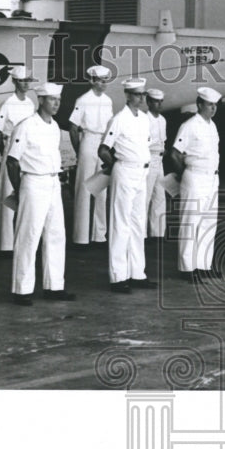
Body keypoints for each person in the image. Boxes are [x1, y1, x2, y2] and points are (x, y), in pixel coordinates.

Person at [7, 82, 75, 305]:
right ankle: (22, 289)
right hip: (33, 182)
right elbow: (12, 161)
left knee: (56, 235)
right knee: (29, 236)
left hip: (53, 181)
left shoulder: (54, 126)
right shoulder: (26, 126)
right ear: (42, 100)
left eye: (58, 100)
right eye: (52, 99)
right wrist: (19, 189)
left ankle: (54, 286)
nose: (56, 104)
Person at [98, 79, 157, 294]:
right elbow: (104, 149)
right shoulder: (119, 119)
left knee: (137, 224)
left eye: (143, 94)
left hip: (141, 172)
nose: (141, 98)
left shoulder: (143, 119)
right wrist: (117, 167)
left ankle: (137, 273)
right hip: (124, 171)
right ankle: (118, 276)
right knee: (120, 224)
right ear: (128, 96)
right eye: (137, 94)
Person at [169, 87, 224, 281]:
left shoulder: (212, 126)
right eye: (209, 105)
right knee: (191, 222)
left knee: (208, 223)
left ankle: (203, 265)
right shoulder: (190, 125)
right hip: (195, 177)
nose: (213, 108)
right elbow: (175, 153)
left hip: (211, 179)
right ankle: (187, 267)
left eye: (215, 105)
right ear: (199, 105)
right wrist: (184, 174)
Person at [0, 65, 38, 255]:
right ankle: (6, 245)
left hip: (26, 154)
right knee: (8, 197)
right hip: (11, 149)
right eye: (23, 80)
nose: (26, 84)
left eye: (29, 80)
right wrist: (5, 152)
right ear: (14, 82)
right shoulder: (8, 103)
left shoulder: (29, 103)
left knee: (25, 195)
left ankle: (23, 241)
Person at [69, 64, 113, 247]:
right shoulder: (83, 100)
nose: (104, 84)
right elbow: (73, 128)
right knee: (85, 189)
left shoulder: (109, 101)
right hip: (87, 141)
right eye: (101, 81)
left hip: (102, 143)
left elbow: (110, 127)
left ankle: (99, 234)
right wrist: (79, 150)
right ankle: (81, 237)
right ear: (92, 81)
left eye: (105, 81)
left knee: (101, 189)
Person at [144, 88, 168, 240]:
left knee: (160, 196)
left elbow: (163, 140)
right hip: (148, 158)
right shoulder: (144, 119)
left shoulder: (162, 120)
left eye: (160, 102)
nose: (158, 104)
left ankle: (157, 233)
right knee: (145, 197)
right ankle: (141, 234)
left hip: (159, 160)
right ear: (148, 102)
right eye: (155, 101)